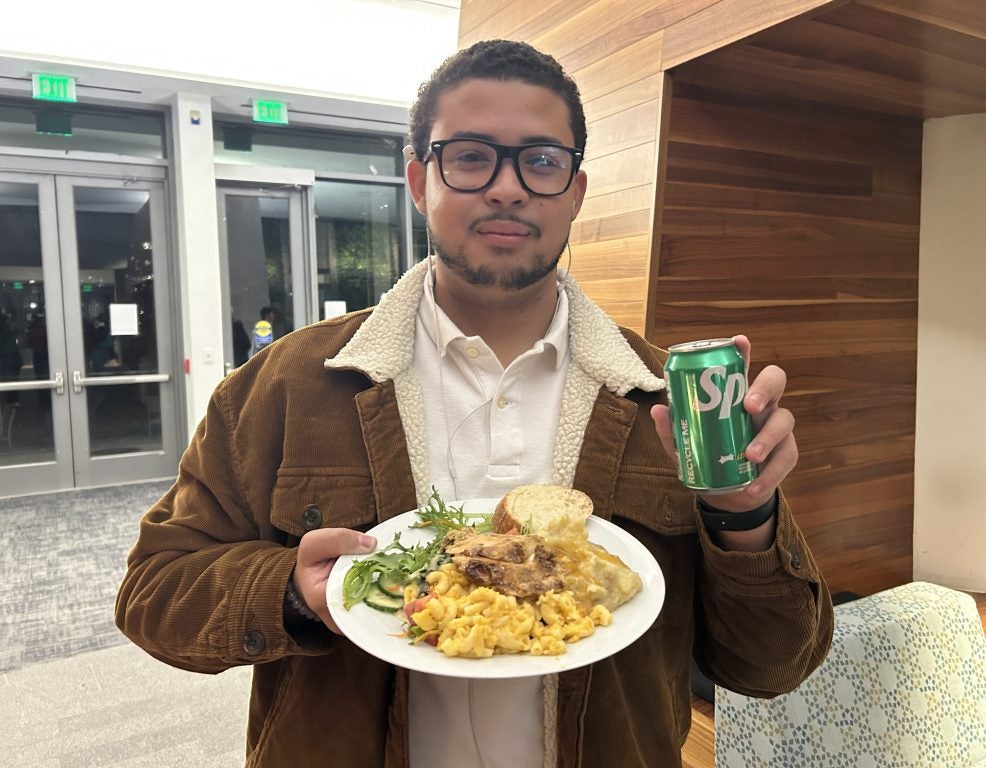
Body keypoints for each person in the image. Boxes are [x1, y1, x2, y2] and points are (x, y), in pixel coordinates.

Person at [116, 40, 833, 767]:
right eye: (470, 157)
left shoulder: (665, 398)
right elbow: (153, 591)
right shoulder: (284, 386)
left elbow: (773, 666)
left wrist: (743, 517)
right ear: (420, 182)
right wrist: (292, 593)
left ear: (576, 192)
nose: (507, 188)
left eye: (541, 161)